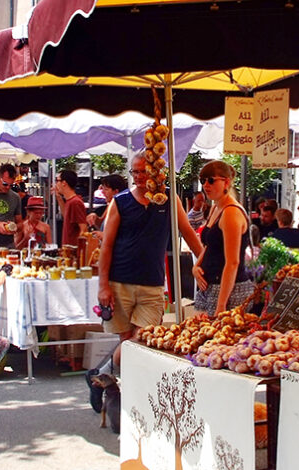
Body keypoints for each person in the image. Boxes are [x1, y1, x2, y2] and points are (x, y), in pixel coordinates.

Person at [98, 153, 202, 366]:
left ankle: (102, 374)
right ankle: (122, 387)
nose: (138, 176)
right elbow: (106, 246)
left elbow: (189, 233)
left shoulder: (169, 199)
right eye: (134, 172)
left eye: (143, 171)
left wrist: (203, 260)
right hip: (120, 282)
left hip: (152, 283)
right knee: (126, 339)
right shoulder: (121, 202)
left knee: (143, 339)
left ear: (155, 171)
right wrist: (103, 286)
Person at [193, 160, 252, 315]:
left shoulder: (231, 213)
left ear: (226, 182)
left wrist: (221, 304)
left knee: (219, 337)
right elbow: (209, 245)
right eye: (203, 180)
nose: (206, 185)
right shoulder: (215, 208)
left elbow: (232, 262)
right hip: (209, 286)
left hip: (229, 290)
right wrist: (196, 266)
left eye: (211, 180)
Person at [55, 169, 88, 245]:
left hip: (73, 251)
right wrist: (59, 198)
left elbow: (83, 229)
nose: (56, 184)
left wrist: (77, 250)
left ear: (64, 183)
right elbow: (66, 216)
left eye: (57, 180)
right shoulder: (70, 201)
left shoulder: (75, 202)